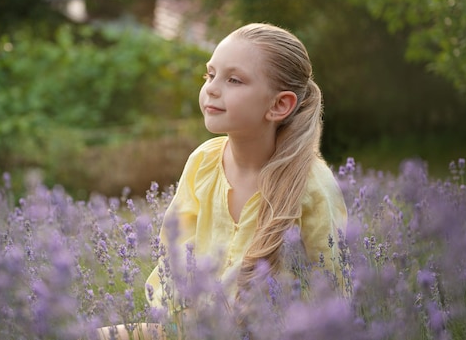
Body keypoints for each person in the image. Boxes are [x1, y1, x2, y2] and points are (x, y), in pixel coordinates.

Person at [98, 22, 347, 339]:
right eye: (209, 75)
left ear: (279, 105)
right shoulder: (203, 162)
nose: (212, 88)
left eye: (234, 80)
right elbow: (173, 256)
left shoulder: (312, 186)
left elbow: (333, 291)